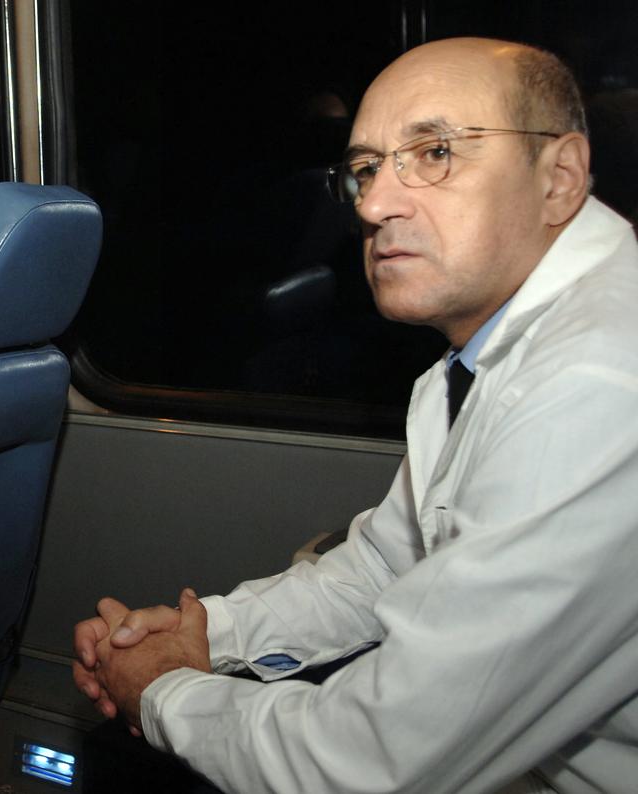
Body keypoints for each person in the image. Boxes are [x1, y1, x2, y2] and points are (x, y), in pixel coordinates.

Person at [73, 38, 638, 794]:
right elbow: (385, 563)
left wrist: (165, 692)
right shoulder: (493, 354)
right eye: (367, 168)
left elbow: (377, 761)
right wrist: (207, 635)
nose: (372, 205)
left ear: (559, 177)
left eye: (434, 152)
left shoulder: (597, 382)